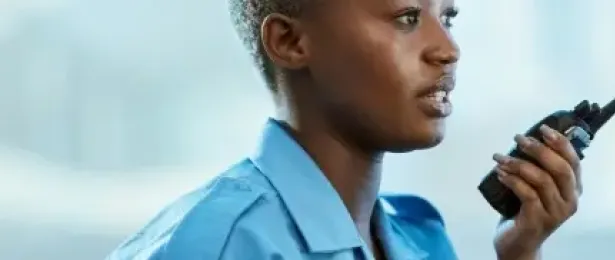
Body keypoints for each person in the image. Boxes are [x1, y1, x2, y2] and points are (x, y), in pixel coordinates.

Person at [107, 0, 583, 258]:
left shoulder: (422, 241)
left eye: (447, 17)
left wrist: (521, 254)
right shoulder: (217, 248)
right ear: (290, 41)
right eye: (407, 18)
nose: (448, 48)